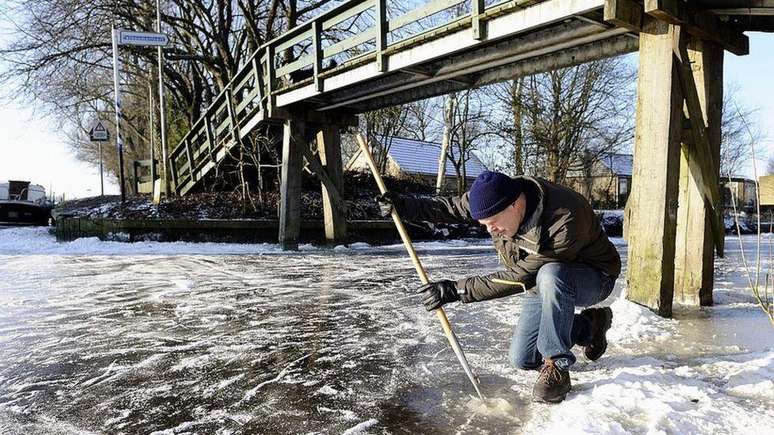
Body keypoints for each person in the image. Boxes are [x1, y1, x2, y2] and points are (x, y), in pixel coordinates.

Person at [377, 171, 621, 403]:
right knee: (523, 358)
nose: (489, 230)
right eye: (483, 224)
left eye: (492, 223)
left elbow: (520, 277)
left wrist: (456, 290)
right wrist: (403, 206)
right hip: (542, 282)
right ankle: (589, 326)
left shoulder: (565, 217)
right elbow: (449, 207)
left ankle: (557, 365)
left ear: (515, 204)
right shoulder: (492, 196)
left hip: (594, 277)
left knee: (551, 272)